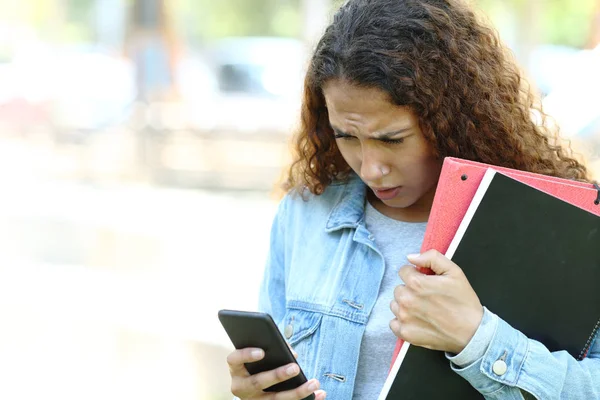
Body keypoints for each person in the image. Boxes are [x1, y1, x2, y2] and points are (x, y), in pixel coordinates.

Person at [225, 0, 600, 399]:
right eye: (346, 136)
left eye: (391, 140)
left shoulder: (559, 226)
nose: (369, 169)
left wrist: (478, 339)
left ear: (450, 121)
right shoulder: (305, 214)